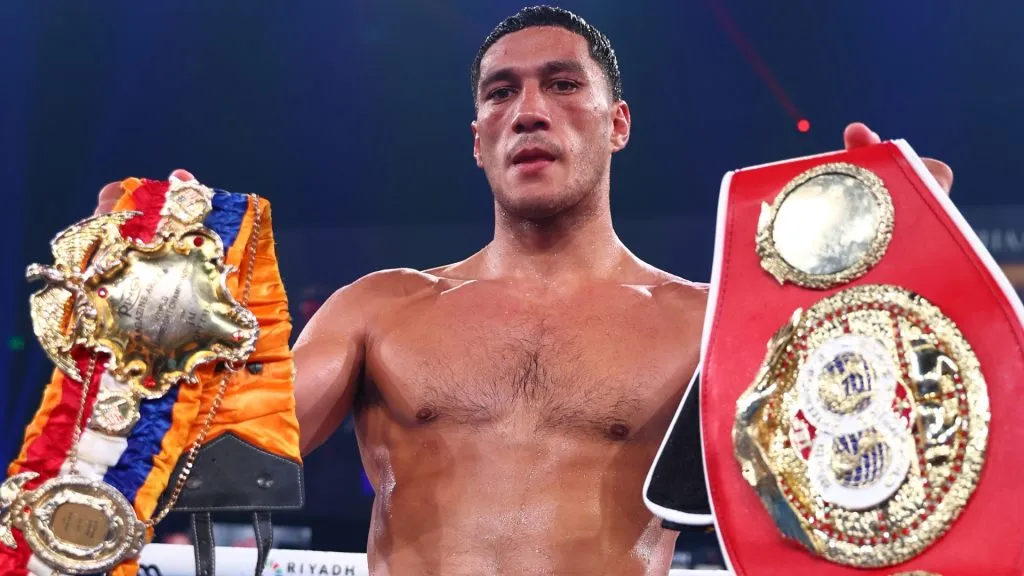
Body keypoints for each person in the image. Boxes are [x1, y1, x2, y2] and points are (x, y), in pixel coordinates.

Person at [93, 5, 954, 575]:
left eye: (563, 84)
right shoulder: (381, 309)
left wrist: (879, 283)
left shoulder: (707, 322)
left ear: (616, 124)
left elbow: (853, 479)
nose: (528, 110)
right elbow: (218, 452)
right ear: (477, 140)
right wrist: (152, 298)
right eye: (501, 93)